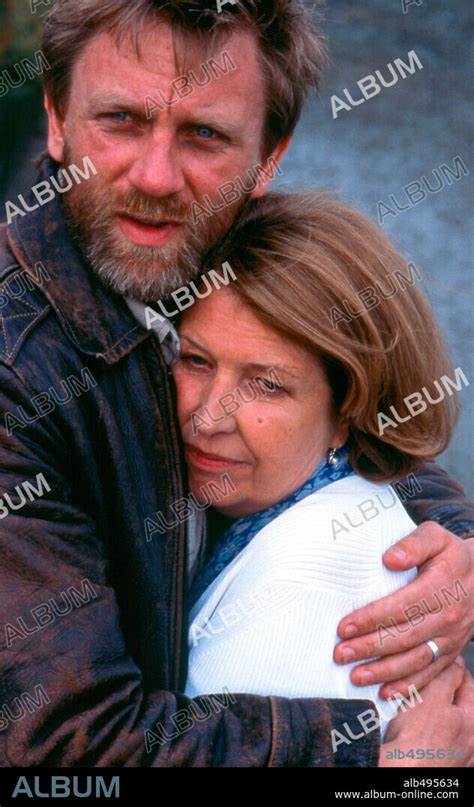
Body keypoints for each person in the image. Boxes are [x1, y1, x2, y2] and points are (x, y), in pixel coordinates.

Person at [0, 0, 472, 767]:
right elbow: (65, 743)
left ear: (269, 158)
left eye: (205, 135)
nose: (155, 178)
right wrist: (382, 754)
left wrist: (456, 542)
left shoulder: (221, 251)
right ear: (55, 119)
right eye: (120, 119)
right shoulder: (16, 377)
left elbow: (341, 387)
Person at [173, 192, 472, 756]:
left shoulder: (291, 614)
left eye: (267, 384)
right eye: (196, 360)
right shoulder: (299, 494)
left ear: (348, 413)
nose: (208, 416)